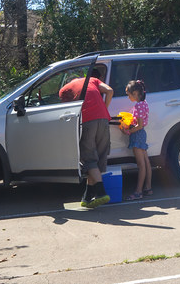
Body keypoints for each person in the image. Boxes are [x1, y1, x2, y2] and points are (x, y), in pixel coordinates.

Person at [59, 65, 113, 208]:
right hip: (103, 120)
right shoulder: (92, 79)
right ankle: (87, 197)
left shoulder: (65, 89)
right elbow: (110, 91)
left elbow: (65, 111)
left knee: (88, 159)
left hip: (87, 121)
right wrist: (104, 108)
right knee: (98, 160)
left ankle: (101, 193)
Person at [123, 79, 152, 200]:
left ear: (135, 93)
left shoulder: (139, 105)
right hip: (142, 134)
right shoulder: (144, 103)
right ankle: (148, 188)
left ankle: (138, 191)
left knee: (141, 165)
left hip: (138, 134)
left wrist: (128, 131)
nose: (128, 97)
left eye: (129, 95)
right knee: (146, 163)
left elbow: (139, 125)